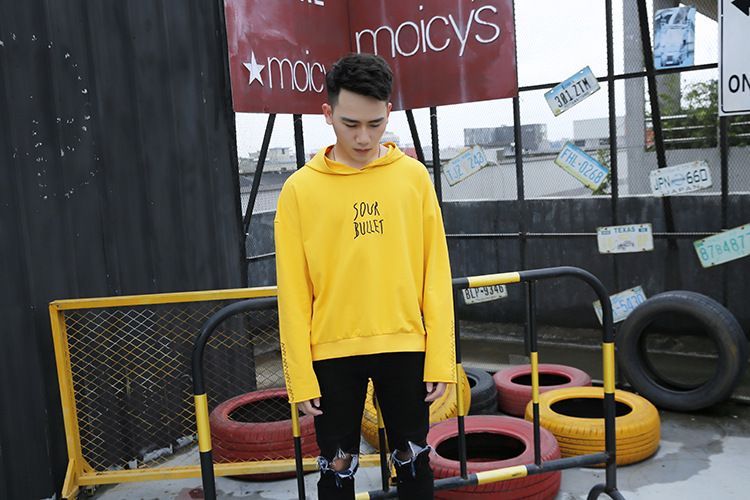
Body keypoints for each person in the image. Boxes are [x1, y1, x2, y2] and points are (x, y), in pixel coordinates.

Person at [274, 52, 456, 499]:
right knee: (336, 469)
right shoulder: (299, 189)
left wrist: (440, 357)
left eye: (375, 124)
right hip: (331, 352)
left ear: (388, 112)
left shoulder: (413, 178)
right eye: (350, 123)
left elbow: (436, 273)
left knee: (414, 461)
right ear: (327, 113)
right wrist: (299, 374)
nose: (363, 137)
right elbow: (293, 292)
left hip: (406, 345)